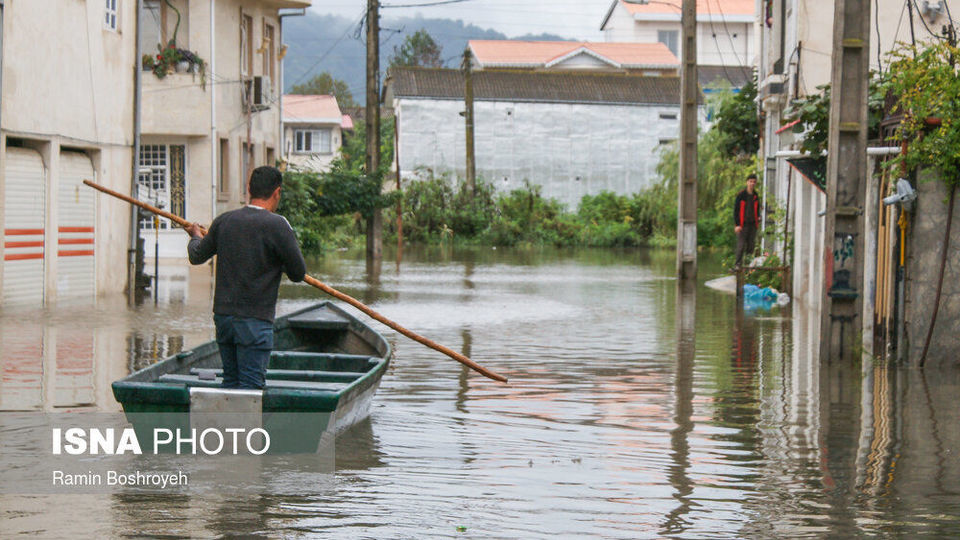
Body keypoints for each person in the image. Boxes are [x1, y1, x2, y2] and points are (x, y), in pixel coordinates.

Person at [185, 166, 306, 390]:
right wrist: (278, 261)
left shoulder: (224, 222)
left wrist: (194, 236)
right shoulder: (278, 226)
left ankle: (228, 425)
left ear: (248, 189)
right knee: (250, 388)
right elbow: (298, 273)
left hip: (224, 319)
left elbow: (196, 255)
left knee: (231, 383)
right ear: (277, 192)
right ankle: (244, 426)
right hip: (255, 320)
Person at [733, 173, 760, 269]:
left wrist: (758, 218)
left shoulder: (755, 195)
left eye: (754, 182)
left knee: (751, 246)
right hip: (742, 224)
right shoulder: (741, 195)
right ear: (747, 182)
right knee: (741, 246)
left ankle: (748, 266)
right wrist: (737, 225)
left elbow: (757, 209)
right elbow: (736, 210)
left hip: (753, 224)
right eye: (750, 181)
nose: (752, 183)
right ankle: (737, 265)